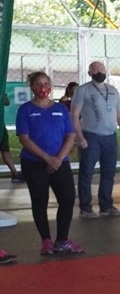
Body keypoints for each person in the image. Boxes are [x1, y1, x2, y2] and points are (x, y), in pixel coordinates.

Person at [16, 71, 82, 255]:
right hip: (34, 163)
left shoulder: (61, 109)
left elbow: (70, 134)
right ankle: (46, 240)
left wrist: (59, 158)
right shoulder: (26, 110)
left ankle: (62, 240)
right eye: (38, 84)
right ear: (31, 88)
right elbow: (24, 139)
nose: (42, 87)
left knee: (68, 198)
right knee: (39, 200)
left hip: (60, 162)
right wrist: (47, 158)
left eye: (46, 83)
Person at [73, 61, 120, 219]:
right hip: (91, 136)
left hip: (110, 137)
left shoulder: (113, 91)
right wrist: (80, 137)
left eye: (102, 69)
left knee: (109, 173)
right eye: (96, 70)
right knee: (86, 173)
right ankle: (85, 208)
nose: (100, 72)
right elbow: (74, 115)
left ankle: (106, 205)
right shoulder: (83, 90)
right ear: (90, 73)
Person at [1, 93, 21, 182]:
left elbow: (7, 102)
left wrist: (3, 97)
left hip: (0, 125)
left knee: (5, 149)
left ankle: (15, 173)